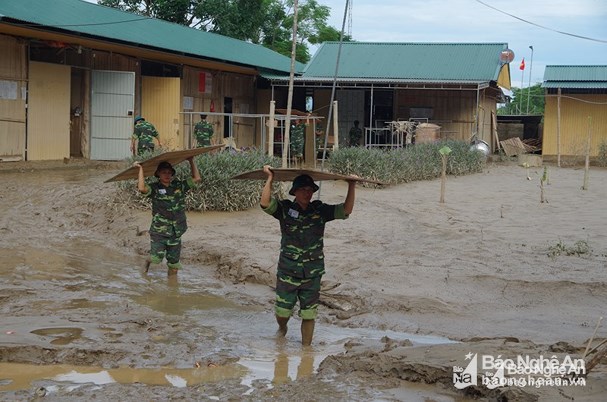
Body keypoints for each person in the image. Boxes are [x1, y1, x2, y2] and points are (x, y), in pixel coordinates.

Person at [260, 165, 356, 346]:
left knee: (309, 313)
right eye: (303, 190)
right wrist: (269, 179)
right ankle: (282, 328)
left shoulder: (319, 210)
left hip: (312, 272)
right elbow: (265, 204)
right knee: (282, 312)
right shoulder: (285, 209)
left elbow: (346, 210)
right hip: (288, 269)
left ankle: (306, 351)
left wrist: (351, 185)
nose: (307, 193)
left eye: (310, 190)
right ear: (294, 192)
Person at [133, 158, 201, 276]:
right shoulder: (155, 188)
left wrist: (191, 160)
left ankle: (173, 286)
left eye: (169, 172)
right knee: (156, 259)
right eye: (164, 172)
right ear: (158, 174)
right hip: (159, 231)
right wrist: (141, 169)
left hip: (176, 230)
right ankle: (146, 262)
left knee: (174, 264)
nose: (167, 175)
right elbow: (142, 188)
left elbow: (197, 179)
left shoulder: (179, 185)